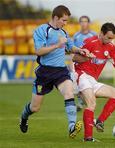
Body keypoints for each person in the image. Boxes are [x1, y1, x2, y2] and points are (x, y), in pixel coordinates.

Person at [19, 5, 91, 139]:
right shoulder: (42, 30)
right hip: (44, 72)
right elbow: (39, 51)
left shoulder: (63, 33)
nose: (65, 23)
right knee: (35, 108)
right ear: (56, 17)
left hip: (60, 71)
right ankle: (23, 117)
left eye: (66, 21)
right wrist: (57, 45)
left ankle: (71, 127)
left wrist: (80, 50)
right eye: (63, 20)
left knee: (69, 92)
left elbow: (70, 47)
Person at [73, 22, 115, 141]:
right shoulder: (90, 42)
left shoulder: (111, 47)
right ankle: (88, 138)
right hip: (81, 75)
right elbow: (75, 58)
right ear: (101, 33)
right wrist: (87, 56)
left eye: (112, 38)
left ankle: (99, 121)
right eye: (108, 38)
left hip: (92, 81)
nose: (110, 41)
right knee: (92, 104)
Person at [69, 16, 96, 111]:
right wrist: (71, 62)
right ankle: (81, 103)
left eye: (86, 21)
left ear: (89, 23)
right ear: (79, 23)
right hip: (78, 63)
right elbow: (72, 50)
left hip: (90, 64)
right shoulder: (76, 36)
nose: (84, 23)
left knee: (90, 85)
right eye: (82, 22)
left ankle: (86, 102)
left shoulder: (93, 35)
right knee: (77, 85)